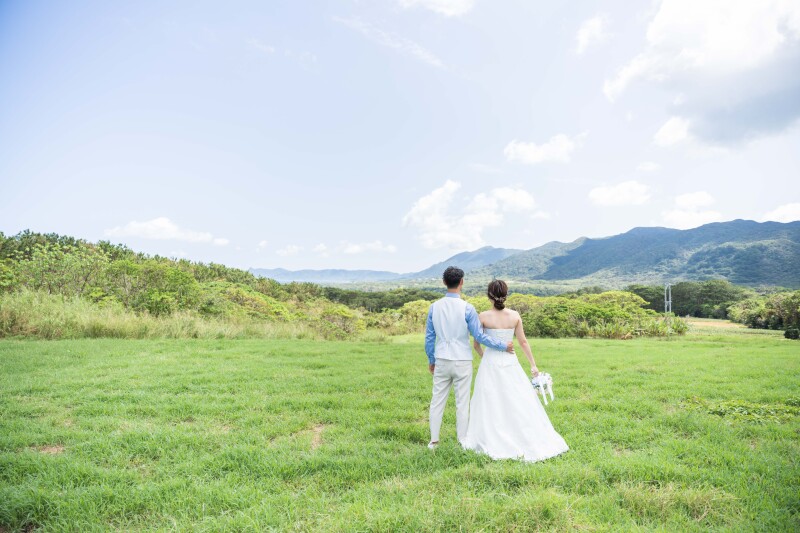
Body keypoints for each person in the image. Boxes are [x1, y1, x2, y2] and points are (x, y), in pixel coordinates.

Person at [462, 279, 569, 462]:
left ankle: (493, 434)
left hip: (490, 363)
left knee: (490, 399)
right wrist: (533, 365)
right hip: (511, 363)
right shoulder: (514, 315)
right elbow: (523, 342)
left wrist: (486, 357)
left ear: (489, 296)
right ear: (506, 294)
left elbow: (476, 345)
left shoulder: (483, 317)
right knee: (517, 398)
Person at [425, 266, 514, 449]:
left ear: (444, 282)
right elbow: (479, 337)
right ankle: (463, 441)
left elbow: (429, 338)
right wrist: (502, 345)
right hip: (462, 360)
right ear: (462, 282)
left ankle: (434, 441)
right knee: (462, 402)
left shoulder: (434, 307)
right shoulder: (468, 308)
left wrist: (431, 360)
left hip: (442, 358)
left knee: (437, 401)